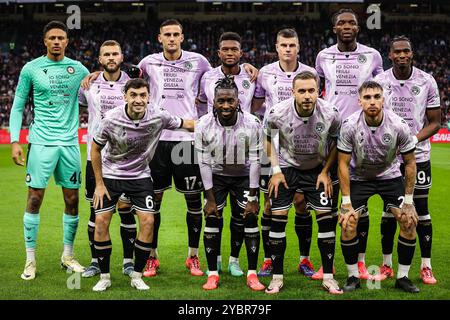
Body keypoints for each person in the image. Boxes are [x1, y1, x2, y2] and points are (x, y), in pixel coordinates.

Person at [90, 78, 195, 291]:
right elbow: (95, 149)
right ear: (125, 97)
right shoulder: (110, 119)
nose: (138, 100)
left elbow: (187, 124)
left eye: (143, 95)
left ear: (149, 97)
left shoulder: (159, 115)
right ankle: (105, 277)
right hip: (112, 175)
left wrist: (218, 120)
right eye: (134, 95)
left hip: (140, 176)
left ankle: (137, 275)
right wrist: (99, 184)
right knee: (101, 221)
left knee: (148, 221)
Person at [9, 21, 89, 280]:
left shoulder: (78, 69)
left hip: (69, 143)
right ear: (45, 41)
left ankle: (68, 255)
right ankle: (30, 260)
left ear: (67, 41)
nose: (57, 41)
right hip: (41, 142)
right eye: (52, 37)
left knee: (72, 200)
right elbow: (18, 106)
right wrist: (15, 141)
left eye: (61, 38)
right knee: (34, 198)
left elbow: (96, 96)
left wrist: (98, 76)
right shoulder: (31, 69)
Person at [314, 8, 384, 280]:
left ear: (358, 27)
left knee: (359, 202)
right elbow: (318, 90)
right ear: (334, 29)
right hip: (332, 135)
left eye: (351, 23)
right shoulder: (323, 56)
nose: (346, 26)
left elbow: (380, 90)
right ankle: (327, 264)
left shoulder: (373, 56)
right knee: (329, 204)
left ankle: (362, 262)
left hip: (362, 135)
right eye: (341, 23)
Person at [337, 80, 419, 293]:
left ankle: (402, 277)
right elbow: (343, 164)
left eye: (376, 97)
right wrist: (345, 202)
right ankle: (353, 276)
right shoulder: (349, 125)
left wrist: (409, 202)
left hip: (389, 177)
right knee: (347, 222)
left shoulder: (399, 124)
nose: (372, 101)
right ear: (359, 101)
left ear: (383, 100)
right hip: (359, 178)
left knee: (409, 221)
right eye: (367, 97)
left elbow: (410, 163)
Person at [264, 71, 342, 294]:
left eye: (311, 90)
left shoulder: (331, 113)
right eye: (302, 91)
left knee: (326, 220)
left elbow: (337, 142)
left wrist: (326, 171)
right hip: (288, 169)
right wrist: (276, 171)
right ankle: (277, 278)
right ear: (293, 92)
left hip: (317, 169)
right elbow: (267, 138)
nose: (307, 95)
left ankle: (328, 277)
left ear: (318, 91)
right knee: (278, 218)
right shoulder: (277, 112)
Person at [252, 28, 319, 277]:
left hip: (301, 146)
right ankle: (269, 260)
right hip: (271, 145)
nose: (288, 49)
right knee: (269, 204)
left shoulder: (311, 73)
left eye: (292, 45)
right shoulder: (265, 73)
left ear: (298, 47)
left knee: (302, 204)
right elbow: (256, 102)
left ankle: (305, 259)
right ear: (277, 47)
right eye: (283, 45)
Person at [374, 36, 441, 284]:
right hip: (389, 158)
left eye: (406, 51)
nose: (402, 55)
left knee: (420, 210)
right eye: (397, 52)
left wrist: (412, 139)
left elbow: (435, 121)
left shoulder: (427, 80)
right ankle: (386, 264)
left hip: (418, 155)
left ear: (412, 54)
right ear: (389, 55)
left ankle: (426, 266)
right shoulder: (380, 81)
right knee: (389, 211)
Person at [195, 76, 265, 291]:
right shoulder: (203, 124)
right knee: (213, 218)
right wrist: (209, 199)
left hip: (244, 175)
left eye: (230, 101)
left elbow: (255, 161)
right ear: (214, 102)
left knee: (250, 218)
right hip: (216, 175)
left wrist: (253, 198)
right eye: (221, 101)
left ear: (238, 102)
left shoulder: (253, 124)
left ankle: (252, 274)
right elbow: (204, 162)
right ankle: (213, 274)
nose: (226, 105)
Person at [78, 40, 139, 278]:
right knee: (96, 212)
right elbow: (83, 107)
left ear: (122, 57)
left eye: (115, 53)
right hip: (97, 158)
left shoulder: (133, 83)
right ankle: (95, 261)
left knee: (126, 210)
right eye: (106, 54)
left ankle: (128, 261)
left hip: (127, 159)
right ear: (100, 59)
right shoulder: (89, 85)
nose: (111, 57)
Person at [197, 32, 256, 277]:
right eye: (225, 49)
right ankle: (216, 261)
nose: (230, 53)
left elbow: (261, 101)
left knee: (241, 217)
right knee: (213, 214)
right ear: (218, 53)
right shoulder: (207, 77)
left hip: (243, 147)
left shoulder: (253, 76)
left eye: (235, 49)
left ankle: (234, 260)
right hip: (218, 154)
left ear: (241, 53)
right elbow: (201, 103)